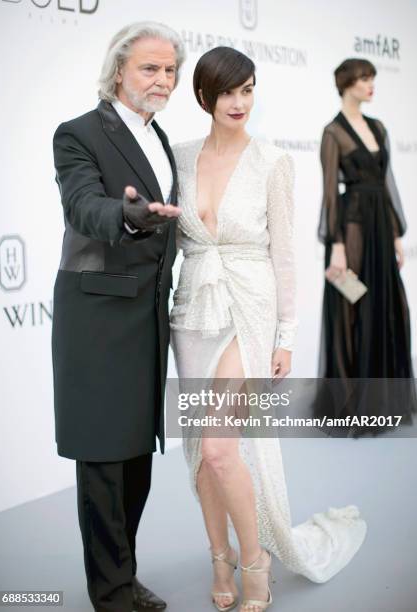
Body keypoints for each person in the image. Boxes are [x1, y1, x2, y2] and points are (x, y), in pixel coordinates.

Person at [170, 46, 367, 612]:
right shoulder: (177, 157)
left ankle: (255, 558)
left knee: (220, 448)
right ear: (204, 96)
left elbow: (284, 256)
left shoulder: (273, 161)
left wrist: (286, 336)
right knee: (200, 453)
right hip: (192, 311)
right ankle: (219, 555)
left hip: (248, 311)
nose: (240, 102)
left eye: (249, 89)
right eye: (229, 92)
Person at [52, 22, 184, 612]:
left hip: (147, 320)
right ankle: (110, 596)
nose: (162, 79)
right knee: (103, 465)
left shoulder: (161, 136)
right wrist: (128, 215)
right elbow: (83, 204)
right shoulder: (78, 132)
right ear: (119, 71)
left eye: (170, 70)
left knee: (136, 461)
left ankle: (123, 576)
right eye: (150, 68)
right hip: (100, 320)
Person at [316, 57, 416, 435]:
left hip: (379, 227)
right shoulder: (333, 132)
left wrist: (395, 236)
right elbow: (329, 194)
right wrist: (336, 245)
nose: (371, 84)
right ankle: (353, 403)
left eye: (372, 78)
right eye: (363, 79)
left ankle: (384, 400)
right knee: (352, 305)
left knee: (390, 305)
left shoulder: (379, 127)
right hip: (352, 227)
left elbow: (388, 185)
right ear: (346, 84)